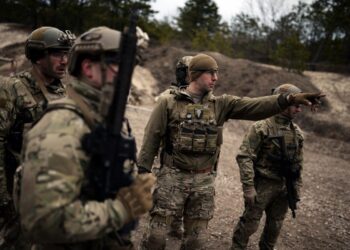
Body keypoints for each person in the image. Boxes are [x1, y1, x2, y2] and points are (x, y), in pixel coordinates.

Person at [137, 53, 324, 250]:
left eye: (216, 73)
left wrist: (290, 99)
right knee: (155, 239)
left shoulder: (221, 104)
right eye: (211, 73)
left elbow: (255, 106)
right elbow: (152, 136)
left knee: (196, 242)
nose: (216, 78)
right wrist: (143, 170)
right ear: (195, 75)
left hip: (203, 183)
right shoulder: (168, 101)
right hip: (172, 178)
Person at [17, 26, 155, 250]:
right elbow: (43, 222)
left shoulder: (103, 119)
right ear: (89, 69)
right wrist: (121, 209)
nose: (127, 76)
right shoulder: (62, 127)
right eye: (118, 65)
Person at [0, 26, 74, 248]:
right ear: (37, 56)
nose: (64, 60)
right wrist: (3, 196)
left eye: (66, 54)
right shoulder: (12, 89)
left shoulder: (63, 92)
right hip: (18, 194)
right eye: (57, 54)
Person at [231, 83, 307, 250]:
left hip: (284, 187)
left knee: (275, 225)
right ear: (284, 103)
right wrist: (249, 187)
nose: (299, 110)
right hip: (263, 184)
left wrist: (296, 187)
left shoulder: (297, 133)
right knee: (250, 223)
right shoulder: (261, 127)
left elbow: (298, 163)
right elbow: (244, 157)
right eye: (296, 105)